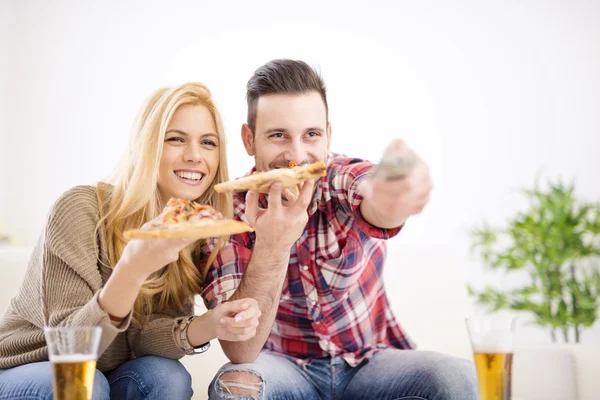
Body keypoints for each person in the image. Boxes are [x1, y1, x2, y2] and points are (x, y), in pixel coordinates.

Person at [201, 60, 478, 400]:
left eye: (311, 135)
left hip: (370, 363)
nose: (297, 156)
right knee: (234, 386)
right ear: (249, 140)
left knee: (459, 379)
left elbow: (370, 194)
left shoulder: (338, 178)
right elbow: (240, 350)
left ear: (328, 136)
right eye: (277, 136)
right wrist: (272, 246)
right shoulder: (225, 215)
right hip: (283, 369)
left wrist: (392, 196)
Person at [0, 82, 261, 400]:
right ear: (147, 146)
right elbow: (71, 344)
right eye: (175, 139)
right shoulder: (81, 208)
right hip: (32, 368)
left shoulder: (187, 230)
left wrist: (211, 324)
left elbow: (143, 338)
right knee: (87, 383)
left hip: (109, 372)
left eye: (208, 143)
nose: (195, 156)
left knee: (167, 377)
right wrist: (133, 268)